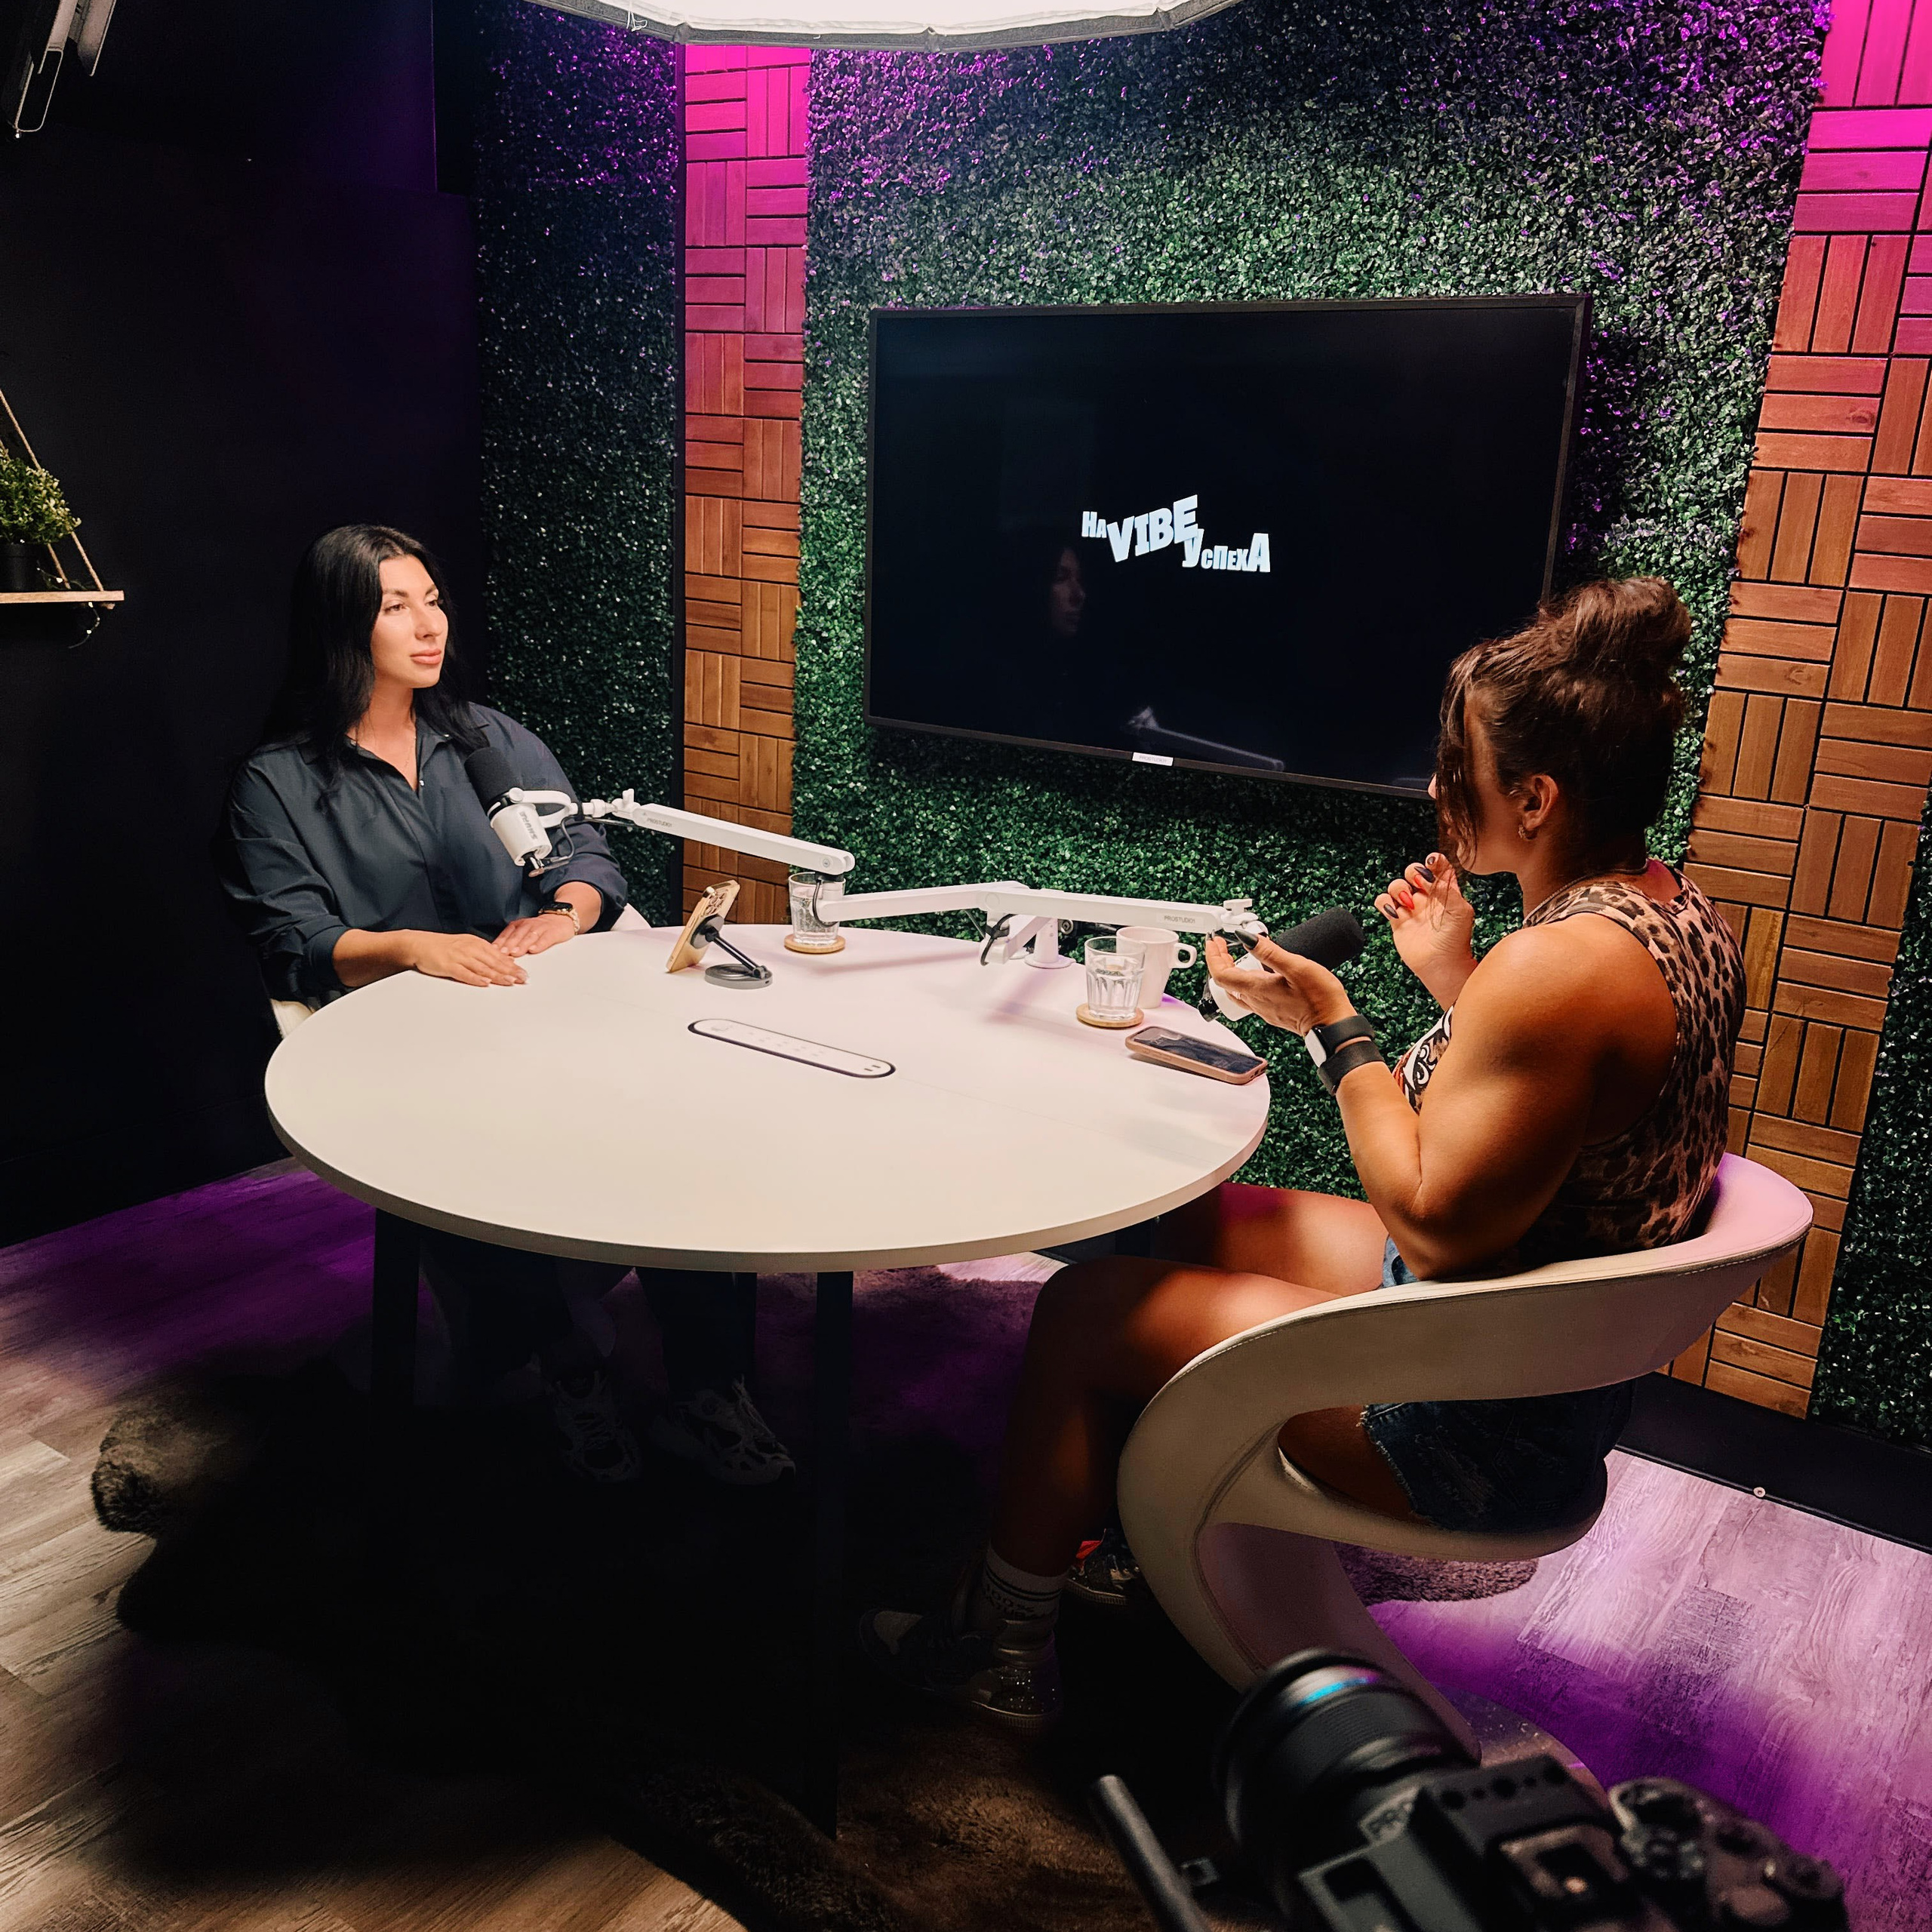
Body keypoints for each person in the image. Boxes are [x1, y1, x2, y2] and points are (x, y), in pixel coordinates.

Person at [860, 575, 1745, 1729]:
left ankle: (999, 1647)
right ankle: (1143, 1532)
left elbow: (1435, 1217)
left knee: (1081, 1312)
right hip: (1519, 1337)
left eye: (1455, 766)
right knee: (1199, 1222)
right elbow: (1559, 1120)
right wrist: (1454, 984)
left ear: (1531, 798)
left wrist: (1336, 1020)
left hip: (1475, 1417)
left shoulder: (1562, 969)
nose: (1436, 788)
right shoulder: (1673, 916)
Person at [216, 525, 793, 1487]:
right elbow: (293, 941)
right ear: (339, 624)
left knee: (688, 1137)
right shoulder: (276, 785)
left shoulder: (491, 740)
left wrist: (567, 913)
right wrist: (410, 947)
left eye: (432, 598)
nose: (427, 623)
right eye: (395, 605)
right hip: (408, 1049)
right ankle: (569, 1374)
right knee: (465, 1160)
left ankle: (707, 1387)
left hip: (550, 1021)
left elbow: (586, 859)